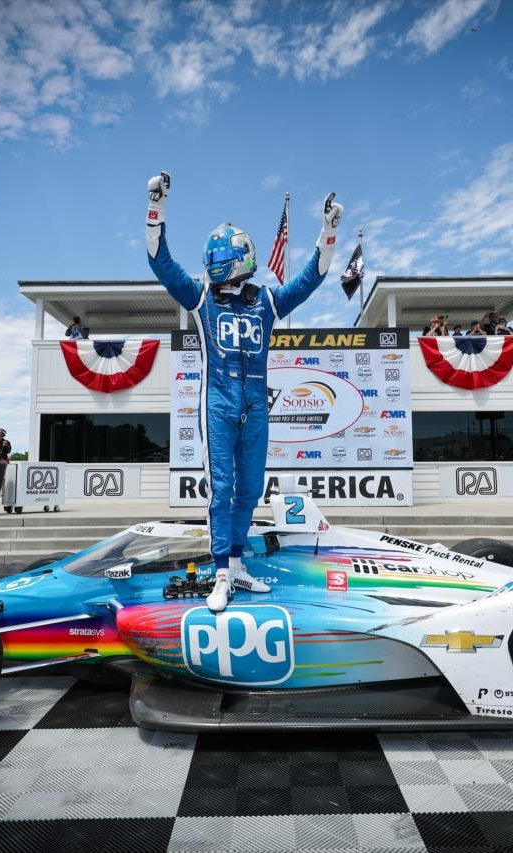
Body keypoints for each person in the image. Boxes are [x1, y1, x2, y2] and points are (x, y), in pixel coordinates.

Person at [146, 170, 343, 612]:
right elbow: (160, 261)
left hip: (255, 403)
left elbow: (310, 280)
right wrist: (155, 209)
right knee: (222, 488)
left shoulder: (266, 301)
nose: (214, 266)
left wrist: (328, 233)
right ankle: (219, 572)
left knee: (251, 490)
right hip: (217, 402)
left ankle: (236, 564)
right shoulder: (201, 299)